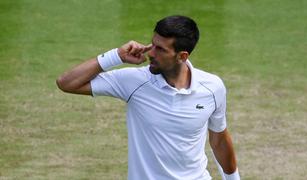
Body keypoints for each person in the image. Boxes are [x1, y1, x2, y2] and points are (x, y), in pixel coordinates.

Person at [56, 15, 240, 180]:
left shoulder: (212, 87)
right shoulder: (134, 82)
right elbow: (66, 83)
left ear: (182, 56)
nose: (150, 53)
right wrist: (116, 56)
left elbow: (219, 139)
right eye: (152, 44)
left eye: (160, 49)